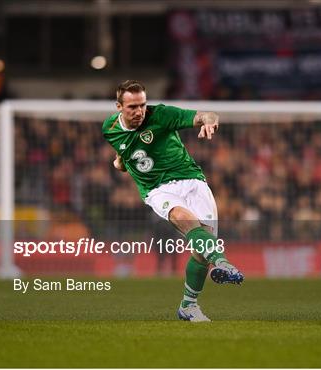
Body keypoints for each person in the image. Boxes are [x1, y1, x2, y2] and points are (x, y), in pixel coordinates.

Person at [102, 80, 243, 322]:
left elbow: (205, 114)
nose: (139, 111)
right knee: (182, 217)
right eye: (132, 107)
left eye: (142, 105)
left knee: (201, 251)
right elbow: (125, 151)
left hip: (192, 179)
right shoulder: (110, 129)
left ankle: (188, 306)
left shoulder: (162, 114)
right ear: (119, 107)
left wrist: (210, 121)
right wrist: (119, 162)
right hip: (157, 189)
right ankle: (223, 262)